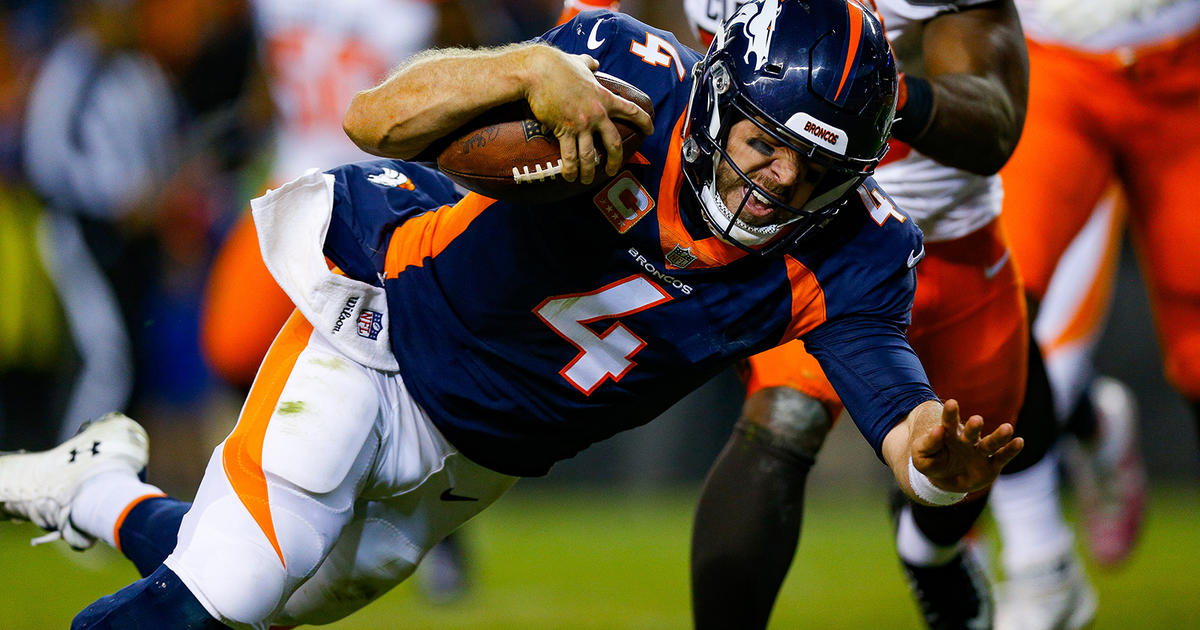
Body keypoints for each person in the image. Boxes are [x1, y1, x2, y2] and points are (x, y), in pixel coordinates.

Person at [0, 3, 1022, 627]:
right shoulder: (629, 79)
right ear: (721, 103)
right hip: (386, 330)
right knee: (238, 580)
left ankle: (95, 494)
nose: (777, 182)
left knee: (265, 596)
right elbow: (373, 120)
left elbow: (890, 392)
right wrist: (524, 69)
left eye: (817, 168)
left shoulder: (858, 246)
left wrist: (929, 454)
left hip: (481, 457)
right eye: (763, 143)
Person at [682, 1, 1093, 629]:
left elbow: (995, 125)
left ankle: (929, 551)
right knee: (783, 417)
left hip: (949, 244)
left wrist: (864, 95)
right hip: (811, 245)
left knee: (966, 449)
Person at [994, 0, 1200, 623]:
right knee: (993, 306)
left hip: (1184, 63)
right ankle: (1038, 563)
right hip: (1050, 68)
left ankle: (1089, 429)